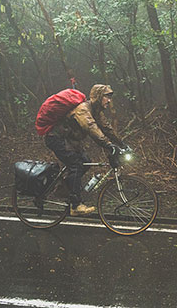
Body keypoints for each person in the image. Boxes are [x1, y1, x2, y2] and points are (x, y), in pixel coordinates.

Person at [44, 84, 126, 216]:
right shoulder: (83, 109)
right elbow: (92, 128)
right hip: (56, 138)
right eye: (107, 97)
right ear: (98, 96)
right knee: (76, 165)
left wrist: (122, 144)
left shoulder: (95, 111)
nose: (109, 100)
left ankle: (64, 189)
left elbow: (107, 128)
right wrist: (109, 145)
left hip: (69, 140)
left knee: (86, 161)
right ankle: (75, 206)